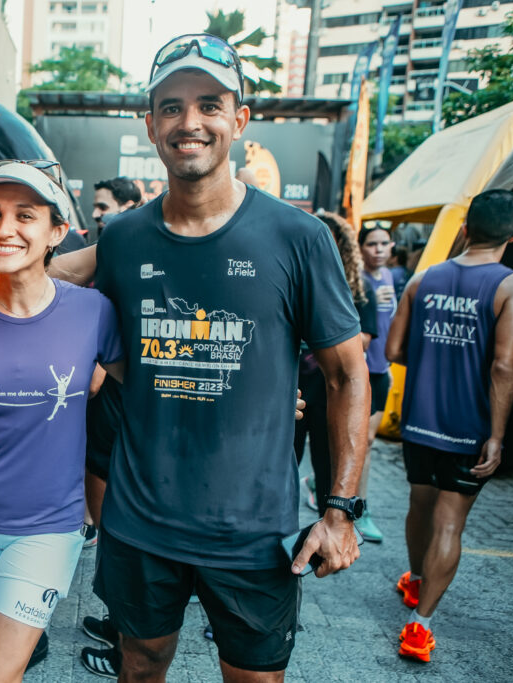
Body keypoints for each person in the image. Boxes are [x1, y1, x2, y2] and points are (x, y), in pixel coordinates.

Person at [50, 33, 369, 681]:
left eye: (209, 104)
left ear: (240, 121)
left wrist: (340, 510)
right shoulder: (123, 238)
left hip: (254, 533)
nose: (188, 121)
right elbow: (37, 287)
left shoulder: (299, 236)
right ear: (149, 124)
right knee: (139, 668)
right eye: (170, 106)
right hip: (140, 524)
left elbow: (347, 372)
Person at [0, 160, 123, 683]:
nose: (4, 229)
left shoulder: (93, 311)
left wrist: (246, 400)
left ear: (58, 231)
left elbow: (151, 387)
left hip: (48, 529)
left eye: (25, 215)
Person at [385, 189, 513, 663]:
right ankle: (418, 628)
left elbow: (393, 351)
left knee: (418, 504)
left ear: (464, 229)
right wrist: (497, 434)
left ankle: (415, 581)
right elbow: (505, 366)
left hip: (420, 422)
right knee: (449, 524)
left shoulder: (422, 278)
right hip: (468, 427)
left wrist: (431, 360)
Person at [297, 211, 378, 514]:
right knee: (280, 466)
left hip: (332, 390)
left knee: (328, 465)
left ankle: (329, 525)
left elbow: (363, 341)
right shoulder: (296, 281)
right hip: (296, 389)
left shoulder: (356, 288)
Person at [354, 224, 398, 543]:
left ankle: (317, 481)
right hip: (360, 372)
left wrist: (390, 365)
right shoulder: (359, 282)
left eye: (384, 243)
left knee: (367, 441)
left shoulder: (391, 278)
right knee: (364, 442)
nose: (379, 249)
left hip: (382, 371)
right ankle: (361, 509)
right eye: (372, 244)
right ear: (361, 248)